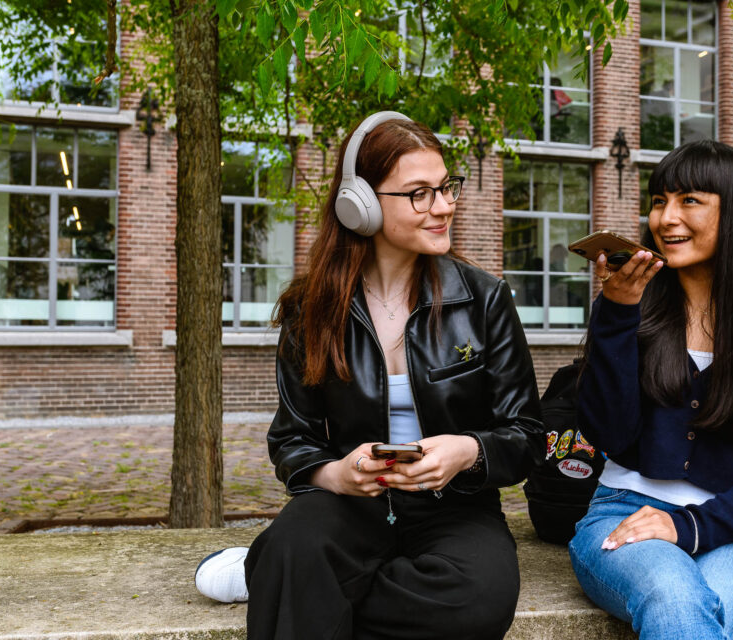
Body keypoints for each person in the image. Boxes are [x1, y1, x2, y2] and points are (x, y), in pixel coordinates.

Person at [196, 112, 544, 640]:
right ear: (359, 206)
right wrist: (336, 474)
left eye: (447, 187)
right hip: (348, 506)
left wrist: (467, 451)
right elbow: (293, 440)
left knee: (477, 599)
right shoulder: (309, 310)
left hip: (456, 509)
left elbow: (528, 437)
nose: (445, 205)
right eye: (419, 193)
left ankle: (280, 579)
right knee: (296, 547)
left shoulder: (485, 298)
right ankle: (287, 569)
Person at [568, 139, 733, 640]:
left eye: (689, 201)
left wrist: (688, 527)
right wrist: (617, 314)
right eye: (659, 200)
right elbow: (608, 433)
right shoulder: (630, 309)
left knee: (702, 613)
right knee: (677, 597)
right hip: (622, 513)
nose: (666, 218)